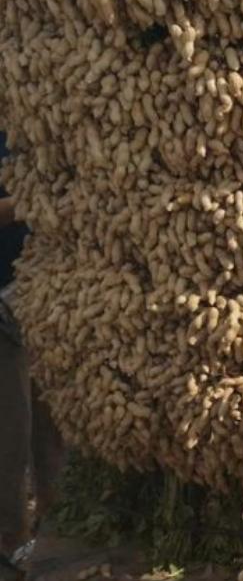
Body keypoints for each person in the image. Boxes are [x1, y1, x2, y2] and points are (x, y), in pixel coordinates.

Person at [0, 132, 62, 577]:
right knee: (11, 424)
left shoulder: (21, 122)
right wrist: (33, 201)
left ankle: (52, 515)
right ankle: (12, 536)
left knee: (53, 415)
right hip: (4, 293)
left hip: (39, 291)